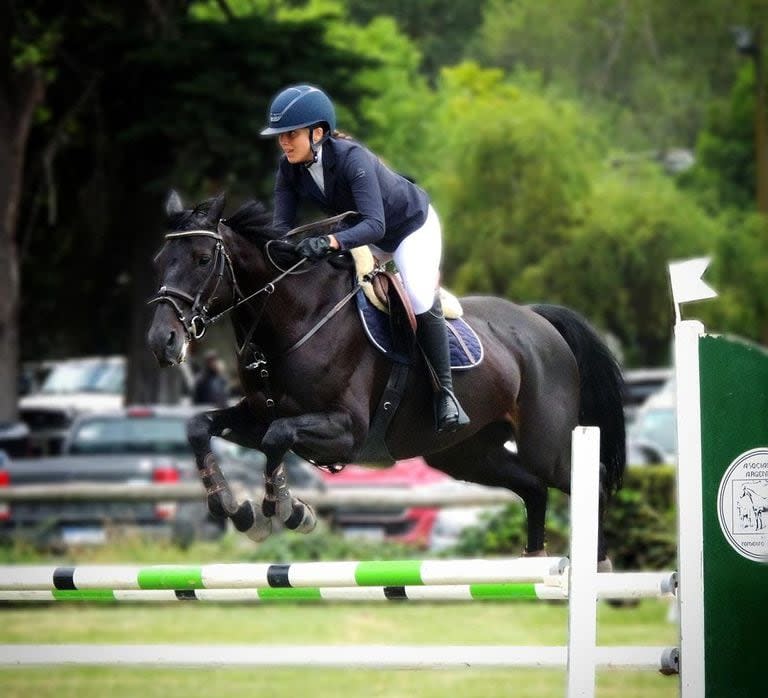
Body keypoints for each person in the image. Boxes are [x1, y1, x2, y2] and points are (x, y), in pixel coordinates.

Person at [260, 84, 469, 434]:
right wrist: (286, 249)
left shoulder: (352, 158)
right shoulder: (289, 168)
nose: (284, 142)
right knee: (328, 279)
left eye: (291, 134)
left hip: (408, 228)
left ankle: (445, 394)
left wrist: (328, 241)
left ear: (318, 132)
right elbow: (280, 228)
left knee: (417, 294)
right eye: (280, 136)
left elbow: (376, 224)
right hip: (362, 233)